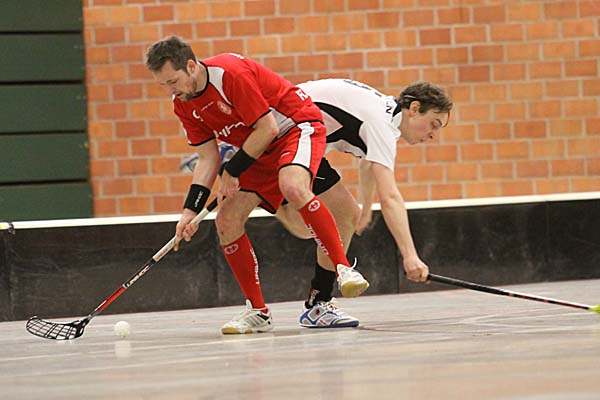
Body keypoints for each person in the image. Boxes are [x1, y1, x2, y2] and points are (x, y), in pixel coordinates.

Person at [182, 79, 454, 329]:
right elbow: (391, 197)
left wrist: (365, 206)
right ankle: (317, 303)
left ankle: (318, 302)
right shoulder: (380, 124)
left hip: (299, 136)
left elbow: (368, 163)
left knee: (341, 216)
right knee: (305, 223)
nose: (433, 135)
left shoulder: (384, 117)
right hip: (284, 136)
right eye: (433, 124)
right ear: (414, 109)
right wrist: (410, 256)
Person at [145, 36, 369, 334]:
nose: (170, 90)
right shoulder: (183, 104)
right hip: (257, 148)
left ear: (191, 66)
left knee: (292, 185)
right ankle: (258, 311)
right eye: (163, 85)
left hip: (294, 127)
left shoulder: (229, 74)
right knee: (226, 220)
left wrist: (233, 170)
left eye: (173, 81)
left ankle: (343, 269)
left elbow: (268, 127)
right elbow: (207, 158)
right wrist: (189, 211)